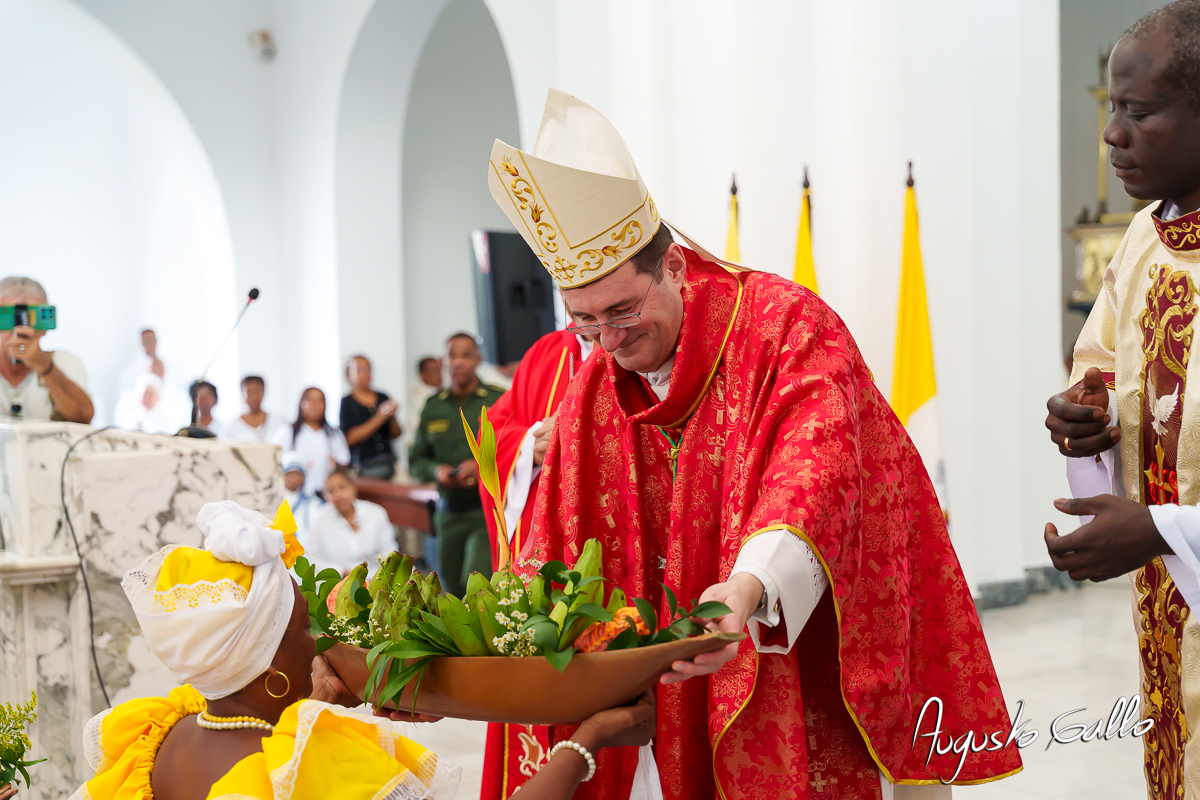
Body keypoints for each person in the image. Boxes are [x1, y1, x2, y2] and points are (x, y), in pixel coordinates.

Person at [488, 89, 1021, 797]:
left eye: (623, 311)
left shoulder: (784, 327)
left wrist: (748, 587)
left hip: (801, 650)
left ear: (674, 267)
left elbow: (818, 468)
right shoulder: (592, 385)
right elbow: (554, 539)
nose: (610, 343)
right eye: (586, 323)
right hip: (667, 693)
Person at [69, 499, 654, 800]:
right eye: (303, 628)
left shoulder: (160, 733)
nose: (323, 638)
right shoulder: (305, 766)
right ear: (270, 674)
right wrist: (586, 739)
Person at [1043, 5, 1200, 795]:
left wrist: (1161, 528)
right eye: (1112, 110)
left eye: (1137, 113)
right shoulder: (1145, 236)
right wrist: (1084, 417)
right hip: (1171, 613)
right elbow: (1102, 362)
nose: (1111, 136)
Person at [479, 320, 597, 798]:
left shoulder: (644, 346)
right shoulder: (549, 351)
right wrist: (529, 444)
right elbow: (496, 431)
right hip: (542, 552)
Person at [409, 333, 504, 597]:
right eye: (452, 356)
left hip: (485, 512)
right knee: (449, 590)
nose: (458, 362)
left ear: (478, 360)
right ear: (444, 361)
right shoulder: (433, 406)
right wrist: (436, 472)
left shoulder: (497, 399)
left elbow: (516, 449)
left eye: (465, 355)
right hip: (448, 513)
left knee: (476, 586)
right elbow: (417, 460)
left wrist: (480, 465)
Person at [0, 276, 92, 423]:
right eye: (10, 316)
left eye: (30, 317)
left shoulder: (64, 362)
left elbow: (83, 417)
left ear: (44, 327)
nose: (20, 328)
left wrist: (43, 365)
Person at [305, 466, 396, 576]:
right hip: (340, 584)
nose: (337, 495)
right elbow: (311, 558)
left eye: (342, 487)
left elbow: (390, 552)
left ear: (353, 488)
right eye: (330, 491)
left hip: (376, 580)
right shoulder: (320, 518)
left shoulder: (376, 513)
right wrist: (341, 571)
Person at [272, 387, 350, 499]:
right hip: (293, 495)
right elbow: (273, 464)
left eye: (320, 401)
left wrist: (336, 465)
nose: (315, 405)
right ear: (301, 403)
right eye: (310, 400)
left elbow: (344, 462)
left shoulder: (334, 434)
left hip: (325, 494)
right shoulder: (287, 431)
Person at [340, 355, 401, 480]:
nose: (365, 374)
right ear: (348, 374)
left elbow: (396, 434)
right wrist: (380, 417)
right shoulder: (347, 402)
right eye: (359, 370)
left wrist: (392, 415)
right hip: (364, 466)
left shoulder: (383, 397)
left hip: (388, 463)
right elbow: (349, 439)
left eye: (368, 369)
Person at [113, 372, 191, 435]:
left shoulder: (163, 419)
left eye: (150, 395)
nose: (146, 398)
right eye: (144, 395)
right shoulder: (132, 417)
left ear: (157, 397)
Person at [224, 376, 287, 443]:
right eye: (249, 392)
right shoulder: (232, 426)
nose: (254, 396)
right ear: (242, 393)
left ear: (263, 392)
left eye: (257, 391)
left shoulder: (279, 421)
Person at [403, 356, 443, 458]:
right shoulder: (416, 395)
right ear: (422, 374)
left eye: (440, 370)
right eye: (434, 371)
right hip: (421, 448)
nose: (439, 375)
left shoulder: (440, 392)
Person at [282, 457, 319, 545]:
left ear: (303, 477)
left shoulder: (312, 502)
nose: (293, 478)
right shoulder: (275, 499)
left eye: (296, 475)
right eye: (289, 475)